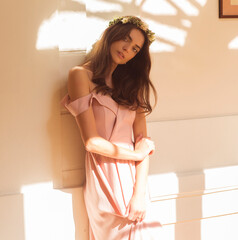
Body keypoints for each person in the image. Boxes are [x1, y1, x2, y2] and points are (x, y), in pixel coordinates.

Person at [61, 16, 163, 239]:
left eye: (135, 48)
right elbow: (91, 142)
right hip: (104, 175)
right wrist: (135, 153)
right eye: (125, 40)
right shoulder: (80, 75)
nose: (128, 49)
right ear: (111, 36)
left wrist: (139, 194)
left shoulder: (132, 86)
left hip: (134, 180)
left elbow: (143, 145)